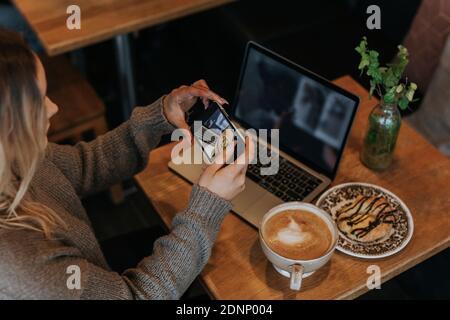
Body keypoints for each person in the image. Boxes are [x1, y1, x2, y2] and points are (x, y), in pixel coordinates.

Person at [0, 28, 254, 299]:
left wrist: (161, 116)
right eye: (39, 101)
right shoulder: (21, 266)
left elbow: (85, 165)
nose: (53, 108)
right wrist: (208, 206)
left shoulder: (15, 154)